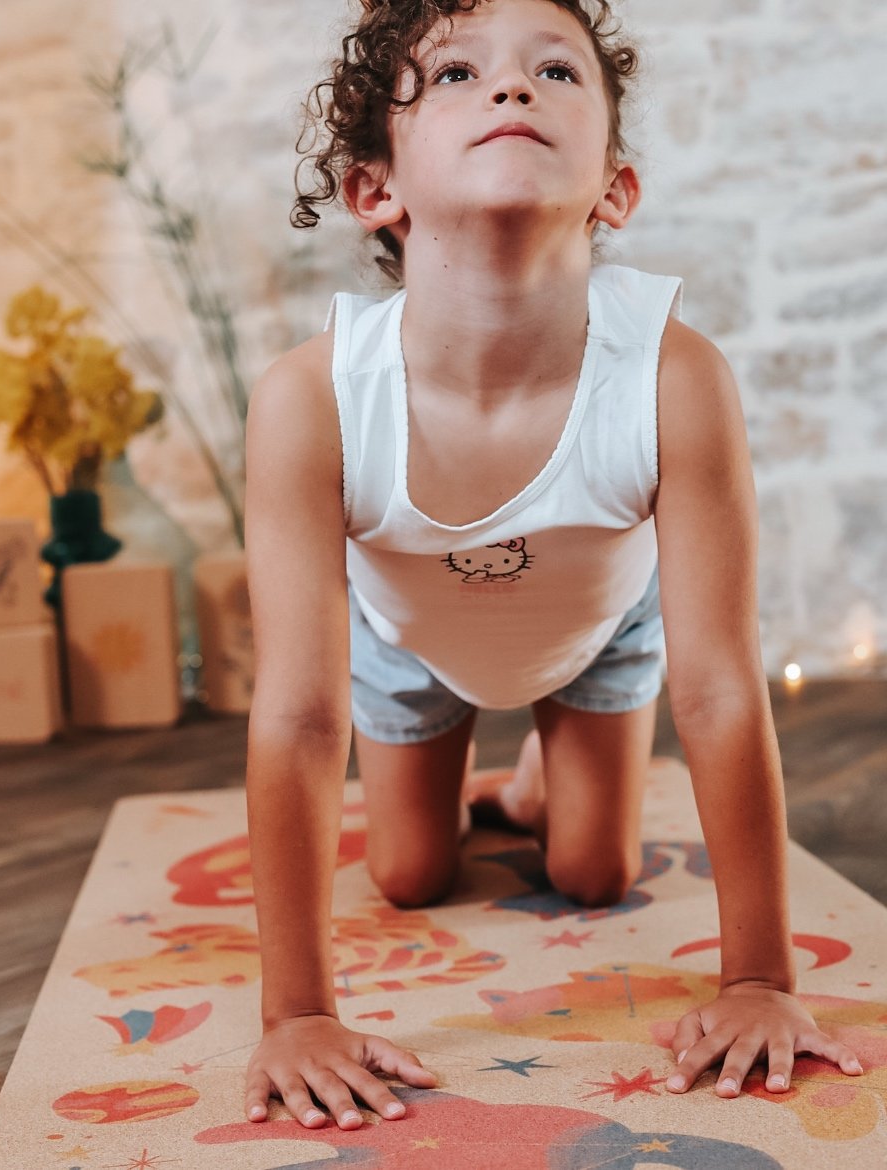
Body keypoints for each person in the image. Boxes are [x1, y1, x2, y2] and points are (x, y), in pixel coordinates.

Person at [242, 0, 864, 1132]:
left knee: (592, 872)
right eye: (460, 74)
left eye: (555, 73)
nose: (513, 89)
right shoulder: (310, 400)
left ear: (615, 188)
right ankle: (484, 781)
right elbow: (295, 720)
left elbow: (721, 687)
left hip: (597, 635)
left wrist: (760, 979)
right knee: (408, 875)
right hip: (407, 642)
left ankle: (533, 788)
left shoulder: (675, 377)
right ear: (375, 186)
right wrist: (295, 1012)